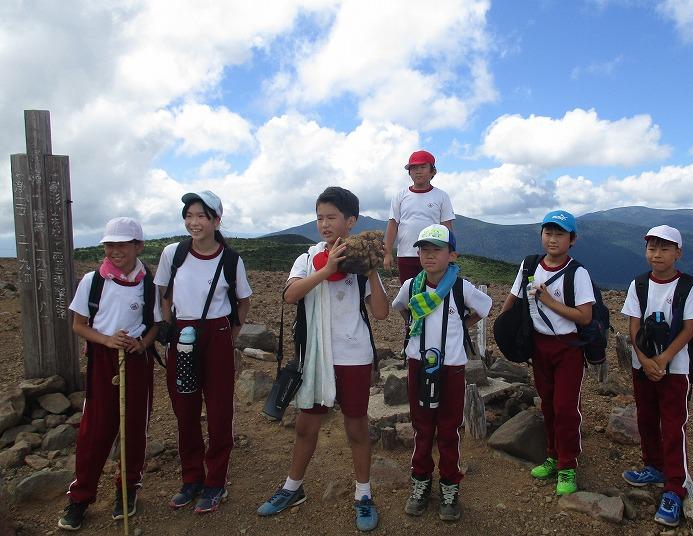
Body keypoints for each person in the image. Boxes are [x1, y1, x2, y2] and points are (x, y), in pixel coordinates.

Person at [257, 186, 390, 532]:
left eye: (331, 217)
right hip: (317, 356)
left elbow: (380, 312)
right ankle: (293, 488)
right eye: (319, 218)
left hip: (354, 355)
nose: (324, 224)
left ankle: (363, 494)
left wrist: (371, 271)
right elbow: (290, 295)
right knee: (306, 425)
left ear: (351, 221)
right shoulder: (308, 258)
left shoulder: (360, 261)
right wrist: (326, 268)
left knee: (356, 426)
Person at [58, 217, 161, 531]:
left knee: (134, 427)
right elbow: (79, 325)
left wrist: (142, 344)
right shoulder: (93, 281)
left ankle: (127, 489)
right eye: (110, 245)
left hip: (136, 358)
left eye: (123, 245)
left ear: (138, 246)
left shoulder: (148, 283)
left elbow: (155, 325)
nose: (115, 251)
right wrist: (106, 340)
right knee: (95, 429)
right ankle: (80, 497)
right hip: (103, 358)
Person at [155, 191, 252, 514]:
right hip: (181, 335)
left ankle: (215, 482)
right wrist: (168, 327)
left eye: (201, 216)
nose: (193, 222)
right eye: (189, 216)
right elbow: (164, 294)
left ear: (216, 221)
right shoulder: (174, 253)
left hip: (217, 334)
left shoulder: (231, 259)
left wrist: (229, 335)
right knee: (185, 409)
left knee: (220, 411)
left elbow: (243, 302)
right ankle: (191, 479)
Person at [391, 224, 492, 521]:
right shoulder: (412, 286)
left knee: (449, 429)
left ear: (452, 255)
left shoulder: (461, 288)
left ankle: (450, 485)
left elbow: (484, 308)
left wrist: (462, 325)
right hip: (418, 363)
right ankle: (420, 481)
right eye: (424, 250)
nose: (429, 255)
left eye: (437, 250)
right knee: (422, 426)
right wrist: (414, 325)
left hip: (451, 368)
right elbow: (401, 307)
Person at [499, 210, 595, 496]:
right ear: (541, 234)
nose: (553, 239)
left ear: (572, 239)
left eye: (560, 234)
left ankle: (567, 466)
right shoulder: (530, 265)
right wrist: (502, 328)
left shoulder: (578, 273)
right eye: (548, 233)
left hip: (568, 348)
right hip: (539, 346)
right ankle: (553, 455)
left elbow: (585, 316)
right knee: (548, 404)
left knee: (566, 408)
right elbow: (513, 298)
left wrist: (549, 301)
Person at [620, 225, 693, 528]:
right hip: (643, 366)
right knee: (646, 418)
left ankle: (674, 487)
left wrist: (662, 359)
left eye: (664, 249)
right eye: (652, 248)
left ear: (678, 253)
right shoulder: (639, 284)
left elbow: (690, 329)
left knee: (672, 425)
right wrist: (645, 360)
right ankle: (653, 466)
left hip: (676, 368)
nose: (657, 254)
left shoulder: (688, 286)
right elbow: (633, 325)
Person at [383, 150, 455, 283]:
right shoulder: (400, 196)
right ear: (409, 172)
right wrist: (387, 253)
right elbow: (393, 225)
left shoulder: (441, 196)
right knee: (409, 290)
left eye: (423, 167)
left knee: (434, 291)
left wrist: (449, 253)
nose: (418, 171)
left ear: (432, 171)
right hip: (406, 254)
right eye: (414, 168)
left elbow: (447, 228)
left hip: (433, 255)